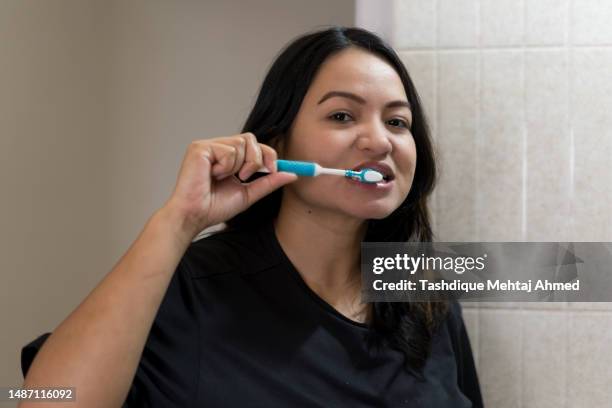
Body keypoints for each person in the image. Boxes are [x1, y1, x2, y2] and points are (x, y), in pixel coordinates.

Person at [19, 26, 483, 407]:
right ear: (278, 145)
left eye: (397, 122)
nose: (379, 140)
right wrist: (178, 221)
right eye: (343, 116)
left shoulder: (426, 291)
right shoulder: (193, 290)